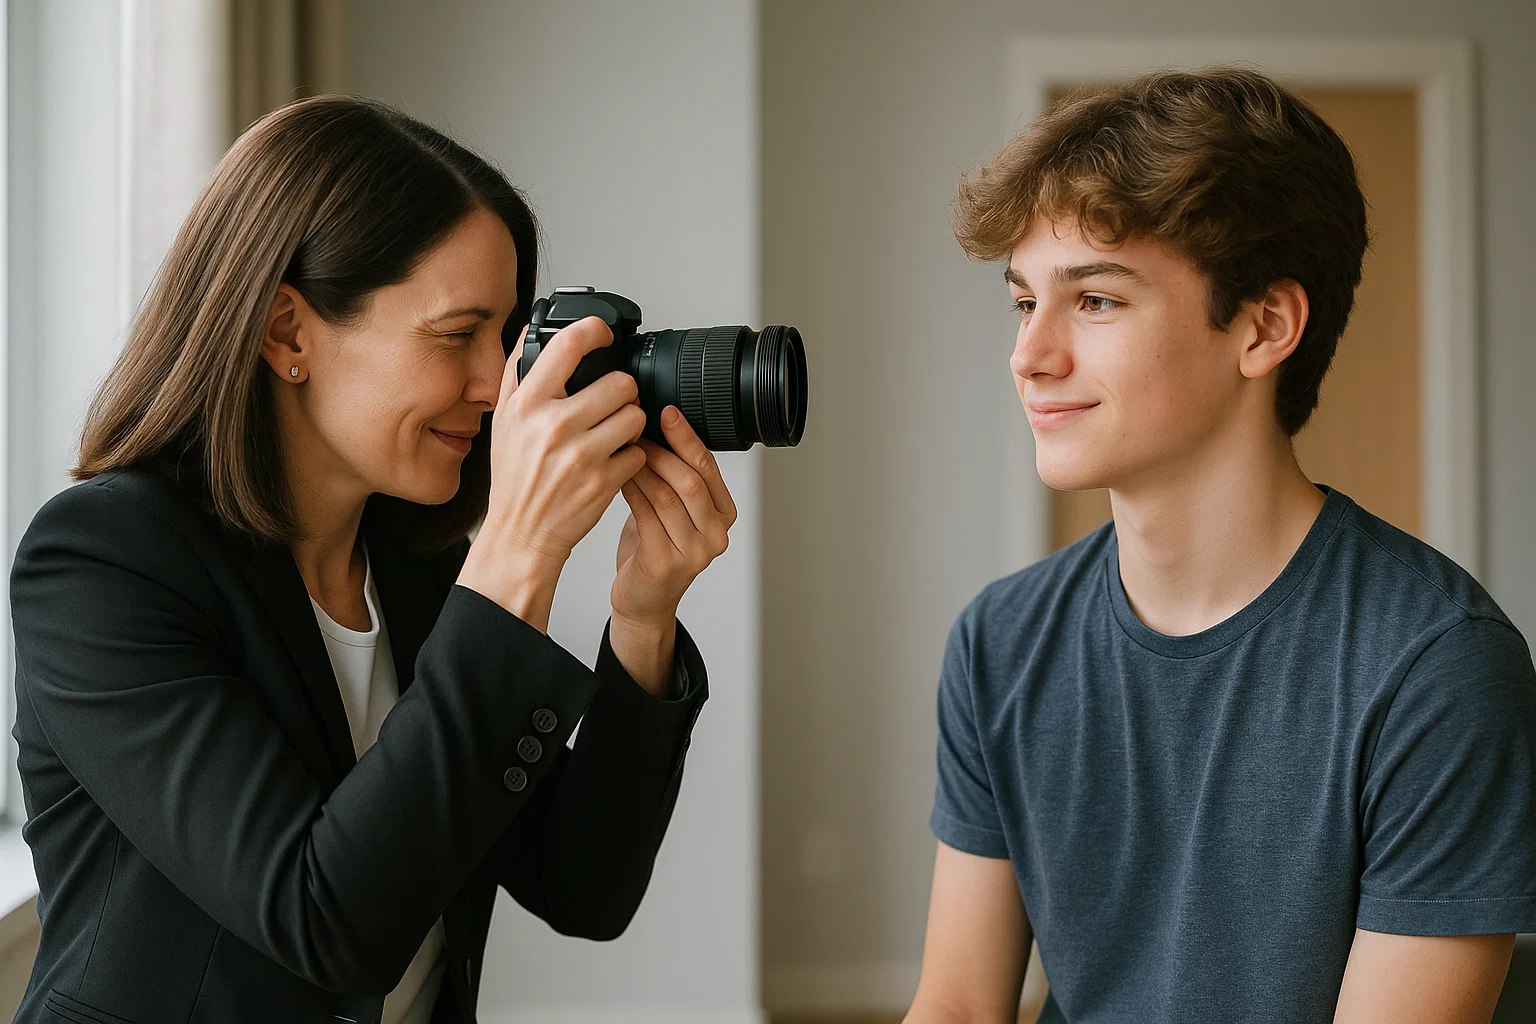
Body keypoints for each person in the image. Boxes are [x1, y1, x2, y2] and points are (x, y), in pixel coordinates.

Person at [9, 96, 736, 1024]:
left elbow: (583, 890)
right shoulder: (102, 566)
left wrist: (640, 621)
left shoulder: (419, 568)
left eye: (508, 337)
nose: (497, 386)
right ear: (288, 332)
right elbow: (325, 921)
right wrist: (517, 558)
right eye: (456, 335)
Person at [906, 68, 1536, 1024]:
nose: (1031, 356)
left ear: (1263, 326)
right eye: (1024, 302)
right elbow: (953, 1007)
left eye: (1098, 301)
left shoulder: (1437, 668)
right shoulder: (1001, 642)